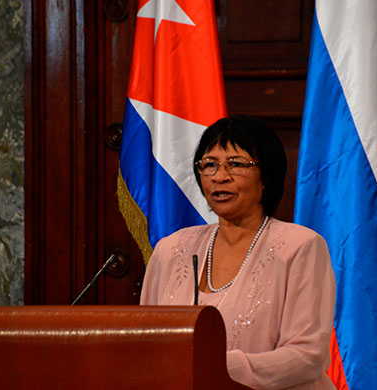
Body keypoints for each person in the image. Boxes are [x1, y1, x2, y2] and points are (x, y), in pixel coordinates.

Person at [140, 116, 336, 390]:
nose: (219, 176)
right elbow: (145, 343)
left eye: (236, 164)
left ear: (266, 176)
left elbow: (307, 356)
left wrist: (214, 366)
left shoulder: (300, 246)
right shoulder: (171, 249)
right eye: (209, 165)